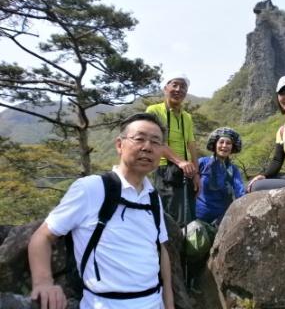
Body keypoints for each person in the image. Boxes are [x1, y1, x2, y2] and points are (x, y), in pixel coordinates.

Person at [28, 113, 174, 309]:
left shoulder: (152, 196)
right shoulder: (91, 189)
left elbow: (160, 248)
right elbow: (42, 237)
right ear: (119, 145)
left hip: (154, 302)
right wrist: (43, 283)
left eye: (156, 142)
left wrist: (169, 303)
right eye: (139, 139)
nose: (147, 147)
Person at [146, 73, 199, 225]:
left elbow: (191, 144)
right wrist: (180, 162)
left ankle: (186, 248)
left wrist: (196, 173)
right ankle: (168, 249)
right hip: (164, 169)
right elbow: (155, 140)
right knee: (169, 218)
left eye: (183, 87)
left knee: (188, 218)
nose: (178, 89)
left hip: (186, 172)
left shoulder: (186, 117)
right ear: (165, 88)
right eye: (174, 85)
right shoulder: (154, 110)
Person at [196, 127, 245, 225]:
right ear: (215, 145)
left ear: (232, 147)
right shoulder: (202, 163)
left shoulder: (233, 169)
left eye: (228, 143)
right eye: (221, 142)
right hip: (198, 218)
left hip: (222, 220)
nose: (224, 146)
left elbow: (240, 191)